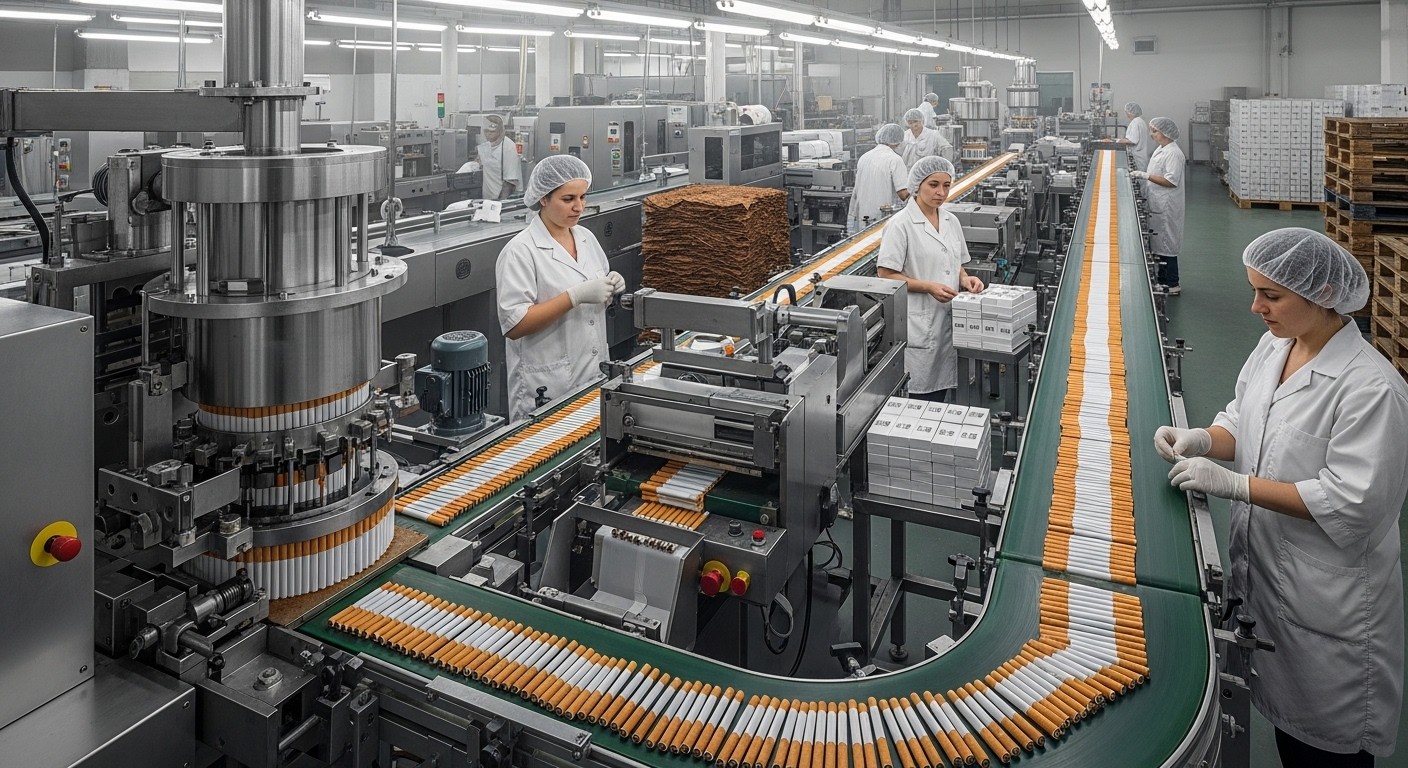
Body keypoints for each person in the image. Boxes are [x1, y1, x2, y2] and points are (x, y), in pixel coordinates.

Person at [1157, 228, 1407, 768]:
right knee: (1275, 718)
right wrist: (1202, 438)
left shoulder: (1371, 389)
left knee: (1319, 753)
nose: (1255, 307)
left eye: (1271, 295)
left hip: (1328, 612)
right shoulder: (1276, 345)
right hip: (1267, 583)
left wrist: (1235, 485)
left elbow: (1354, 503)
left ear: (1319, 296)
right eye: (1254, 291)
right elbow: (1244, 419)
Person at [495, 156, 624, 422]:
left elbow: (595, 300)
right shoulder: (521, 251)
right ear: (543, 198)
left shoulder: (586, 238)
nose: (579, 207)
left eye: (583, 197)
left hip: (592, 372)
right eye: (568, 199)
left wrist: (610, 287)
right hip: (547, 385)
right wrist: (573, 297)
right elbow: (515, 325)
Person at [875, 156, 985, 402]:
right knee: (919, 397)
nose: (941, 192)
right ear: (917, 185)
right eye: (933, 185)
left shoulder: (950, 220)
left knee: (943, 390)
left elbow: (955, 263)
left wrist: (966, 279)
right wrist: (928, 287)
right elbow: (886, 275)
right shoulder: (900, 225)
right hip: (918, 321)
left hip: (948, 320)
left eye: (946, 185)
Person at [1130, 117, 1185, 294]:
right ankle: (1161, 280)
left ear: (1165, 133)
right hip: (1157, 201)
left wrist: (1145, 176)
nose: (1152, 135)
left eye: (1155, 131)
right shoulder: (1162, 149)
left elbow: (1171, 181)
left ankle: (1172, 283)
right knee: (1160, 243)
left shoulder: (1173, 153)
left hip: (1166, 204)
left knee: (1167, 243)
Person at [848, 123, 910, 231]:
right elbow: (903, 194)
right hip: (884, 215)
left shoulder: (864, 157)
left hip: (862, 214)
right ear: (897, 142)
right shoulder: (895, 159)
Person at [475, 114, 521, 200]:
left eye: (492, 132)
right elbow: (480, 165)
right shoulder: (485, 146)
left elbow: (509, 182)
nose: (488, 134)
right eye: (486, 131)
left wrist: (500, 203)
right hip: (487, 198)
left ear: (500, 131)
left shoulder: (509, 147)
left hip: (501, 199)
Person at [1115, 101, 1152, 171]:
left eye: (1126, 112)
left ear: (1130, 112)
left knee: (1139, 177)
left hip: (1137, 156)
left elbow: (1133, 141)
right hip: (1140, 155)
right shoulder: (1140, 121)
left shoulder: (1136, 122)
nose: (1126, 114)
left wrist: (1118, 141)